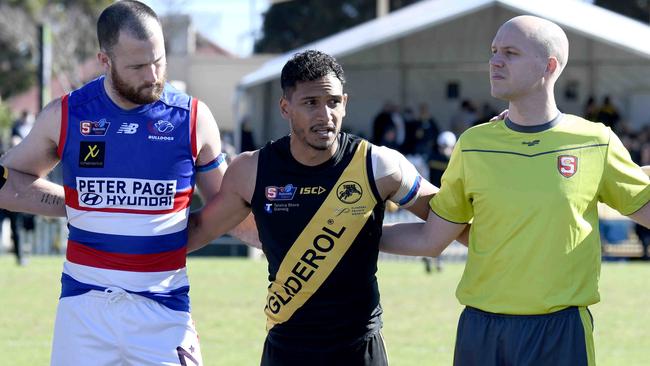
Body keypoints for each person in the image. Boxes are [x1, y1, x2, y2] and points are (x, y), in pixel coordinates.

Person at [380, 15, 650, 366]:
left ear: (549, 66)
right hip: (481, 329)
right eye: (493, 51)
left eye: (510, 52)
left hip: (560, 330)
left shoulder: (595, 141)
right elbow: (432, 239)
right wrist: (356, 235)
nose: (495, 60)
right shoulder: (474, 144)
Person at [0, 1, 239, 364]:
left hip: (164, 310)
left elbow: (230, 206)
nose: (153, 75)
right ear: (104, 61)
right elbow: (8, 181)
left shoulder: (192, 118)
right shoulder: (66, 114)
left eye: (158, 61)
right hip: (83, 310)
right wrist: (74, 204)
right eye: (138, 66)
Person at [187, 50, 438, 365]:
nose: (325, 115)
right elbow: (199, 230)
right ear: (285, 107)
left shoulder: (379, 164)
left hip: (359, 349)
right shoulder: (251, 170)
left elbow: (447, 215)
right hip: (287, 349)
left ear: (344, 103)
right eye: (310, 103)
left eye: (333, 102)